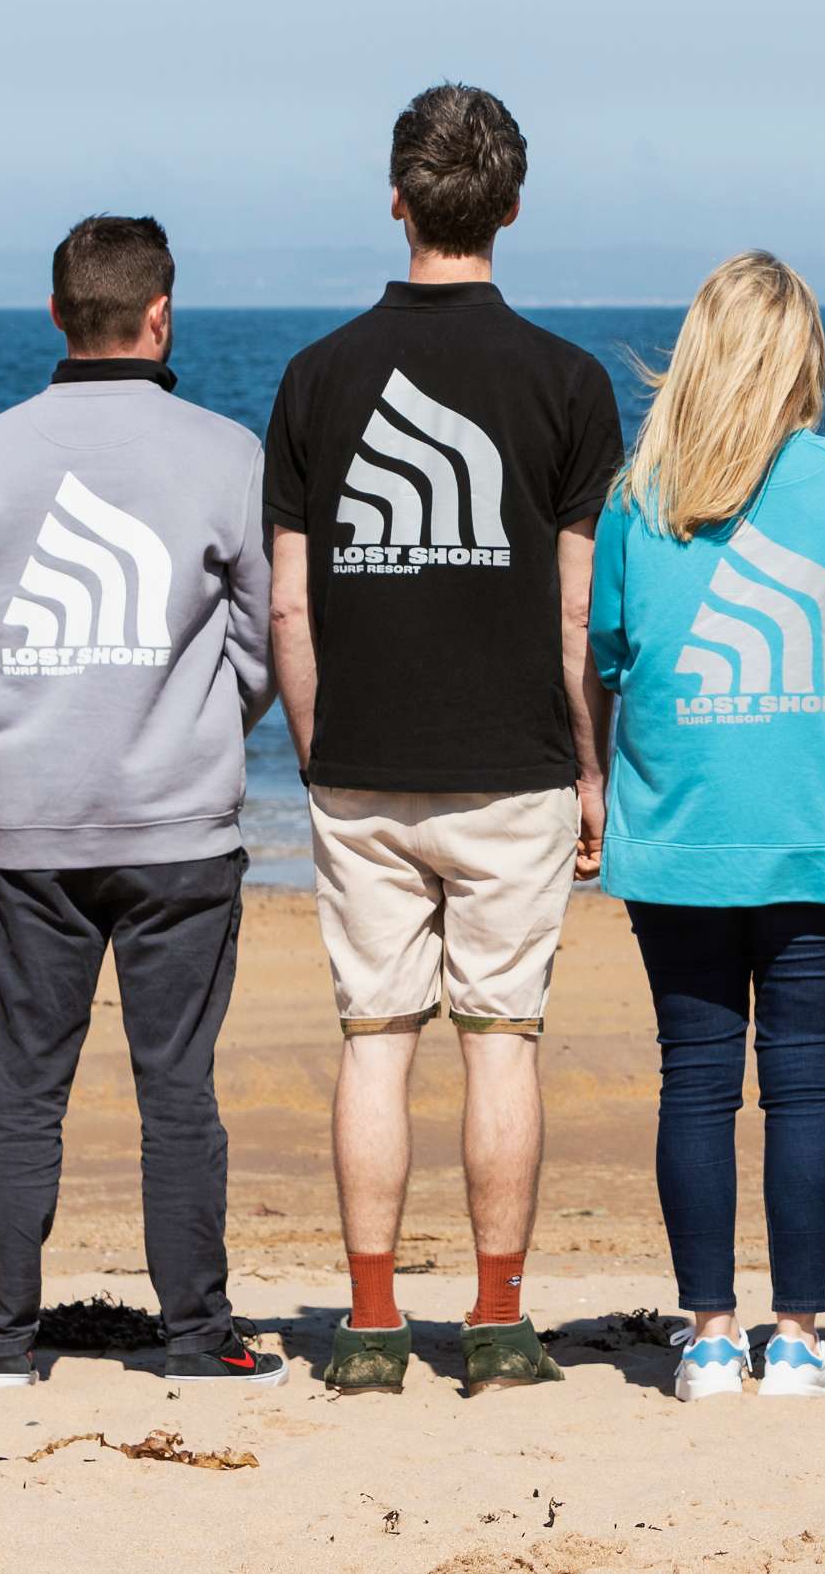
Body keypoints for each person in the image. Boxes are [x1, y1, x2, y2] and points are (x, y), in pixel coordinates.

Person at [263, 85, 623, 1397]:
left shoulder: (314, 378)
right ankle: (497, 1318)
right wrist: (592, 765)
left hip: (360, 761)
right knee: (500, 1037)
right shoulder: (570, 382)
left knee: (375, 1037)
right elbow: (578, 602)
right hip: (516, 765)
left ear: (397, 195)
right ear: (512, 206)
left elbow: (290, 599)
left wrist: (317, 739)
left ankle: (369, 1327)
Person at [0, 215, 281, 1387]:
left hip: (33, 820)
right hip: (182, 825)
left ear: (56, 315)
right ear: (161, 313)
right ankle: (194, 1339)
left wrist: (42, 720)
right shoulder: (227, 451)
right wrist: (191, 726)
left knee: (22, 1094)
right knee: (177, 1092)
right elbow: (258, 641)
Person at [588, 252, 825, 1403]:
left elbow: (613, 655)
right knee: (805, 1088)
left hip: (680, 832)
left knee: (695, 1084)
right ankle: (798, 1340)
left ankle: (712, 1336)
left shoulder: (641, 497)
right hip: (821, 827)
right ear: (803, 358)